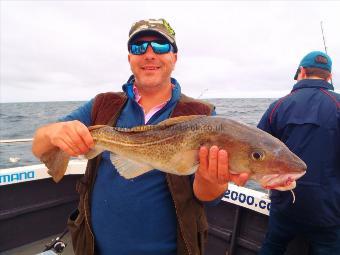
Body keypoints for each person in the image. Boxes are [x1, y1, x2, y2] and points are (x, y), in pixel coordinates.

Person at [32, 18, 248, 255]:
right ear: (129, 59)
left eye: (161, 46)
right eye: (138, 47)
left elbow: (207, 197)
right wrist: (54, 132)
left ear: (174, 58)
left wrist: (211, 179)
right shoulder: (102, 105)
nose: (149, 54)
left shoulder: (201, 115)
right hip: (95, 247)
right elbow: (39, 146)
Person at [258, 51, 340, 255]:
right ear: (329, 76)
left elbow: (254, 148)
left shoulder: (277, 106)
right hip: (328, 209)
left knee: (272, 246)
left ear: (301, 72)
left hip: (285, 204)